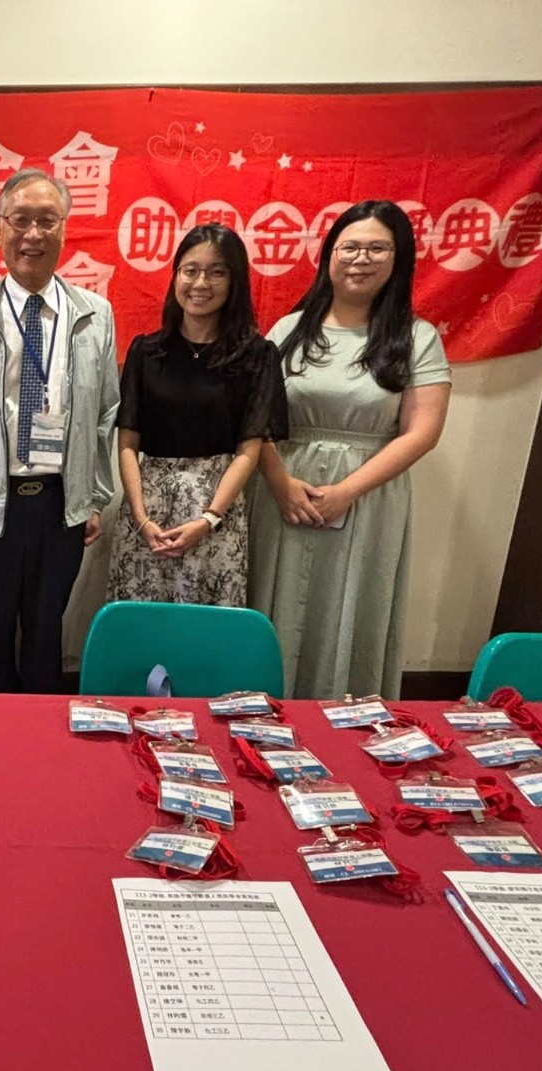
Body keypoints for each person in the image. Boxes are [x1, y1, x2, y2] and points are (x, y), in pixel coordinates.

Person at [247, 199, 452, 699]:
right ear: (328, 256)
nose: (361, 258)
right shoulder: (288, 330)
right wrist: (279, 481)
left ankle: (343, 719)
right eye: (350, 247)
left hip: (367, 499)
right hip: (281, 490)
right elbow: (252, 418)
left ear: (399, 259)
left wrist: (346, 491)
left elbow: (422, 432)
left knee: (348, 606)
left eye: (377, 248)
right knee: (272, 604)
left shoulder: (417, 338)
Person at [0, 168, 119, 693]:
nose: (33, 234)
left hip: (60, 504)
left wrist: (92, 498)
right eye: (20, 220)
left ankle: (40, 735)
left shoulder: (95, 315)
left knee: (45, 635)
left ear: (64, 229)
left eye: (47, 221)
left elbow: (105, 413)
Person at [108, 224, 287, 605]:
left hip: (216, 511)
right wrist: (140, 517)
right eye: (190, 270)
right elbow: (127, 443)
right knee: (141, 620)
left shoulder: (256, 356)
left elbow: (249, 450)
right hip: (147, 511)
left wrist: (209, 519)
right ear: (176, 276)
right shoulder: (146, 351)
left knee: (208, 624)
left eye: (216, 272)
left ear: (234, 281)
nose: (200, 283)